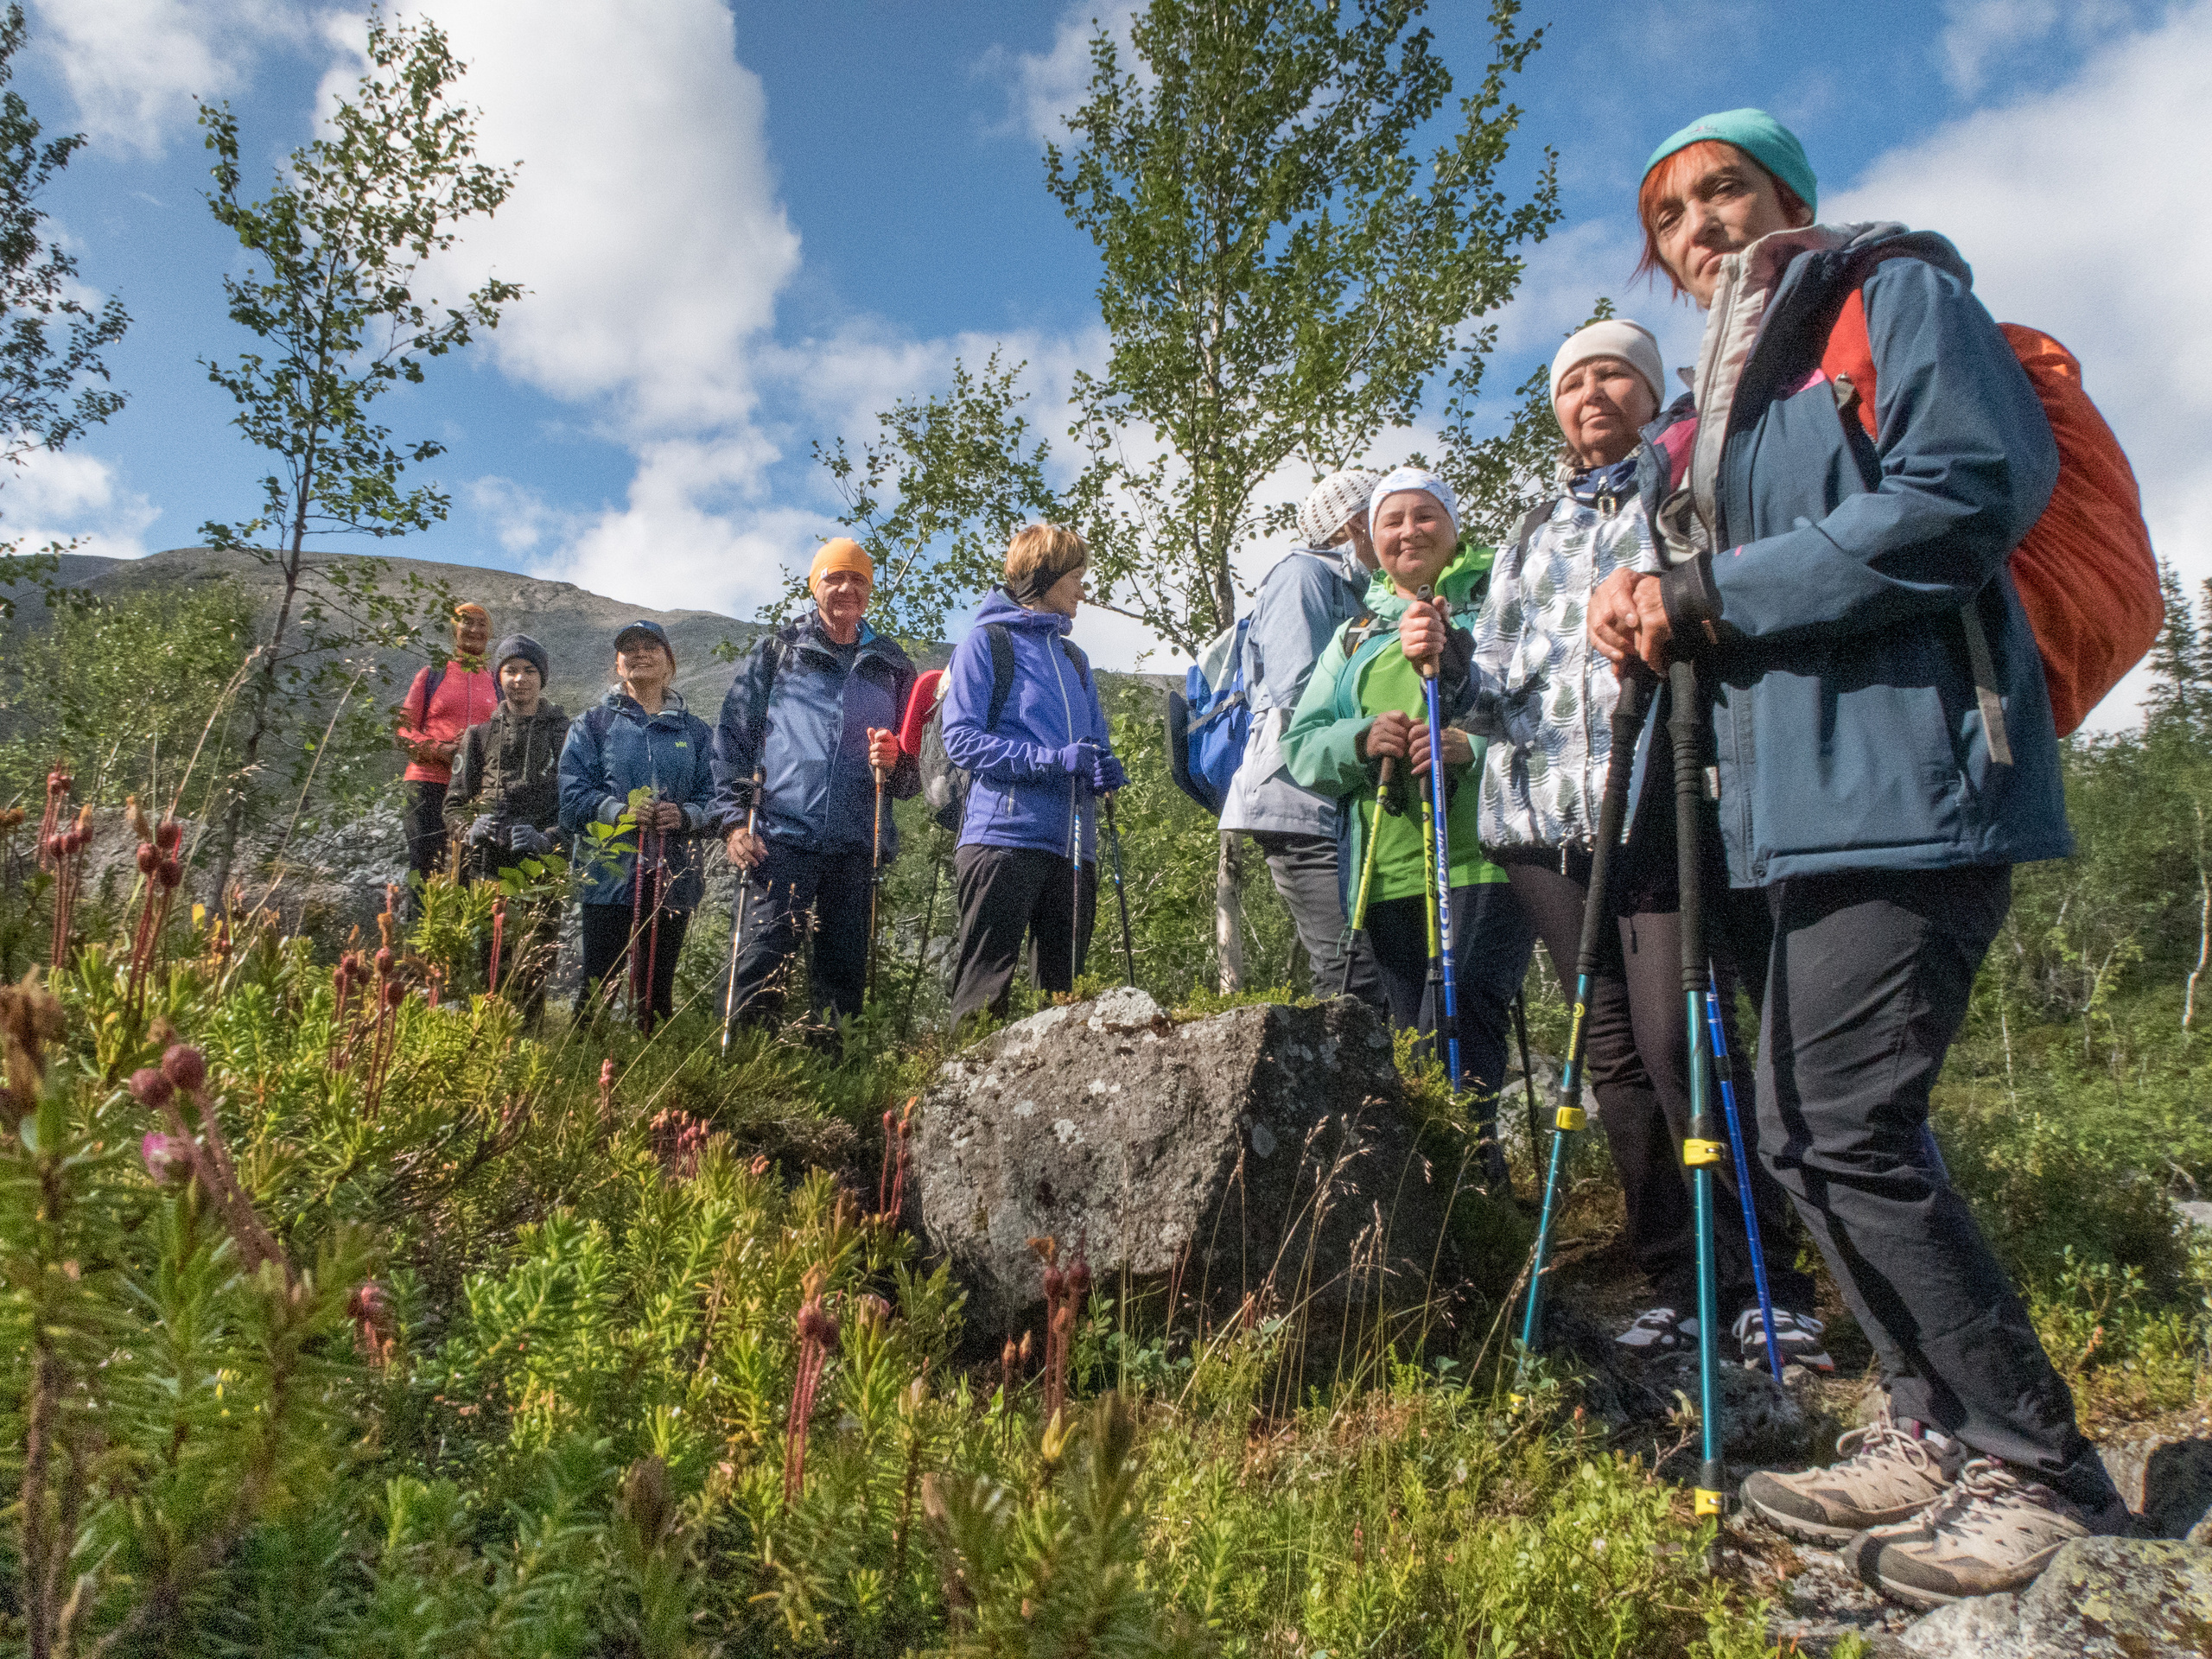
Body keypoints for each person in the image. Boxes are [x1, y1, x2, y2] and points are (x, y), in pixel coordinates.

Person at [1590, 107, 2125, 1603]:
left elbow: (1961, 497)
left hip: (1919, 778)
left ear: (1788, 199)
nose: (1701, 224)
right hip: (1796, 808)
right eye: (1674, 213)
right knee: (1799, 1128)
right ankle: (1930, 1425)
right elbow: (1726, 593)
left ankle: (2033, 1462)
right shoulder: (1718, 407)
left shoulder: (1890, 292)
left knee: (1850, 1126)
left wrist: (1713, 590)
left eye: (1725, 191)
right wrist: (1648, 608)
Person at [1470, 318, 1825, 1371]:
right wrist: (1445, 670)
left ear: (1649, 386)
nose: (1589, 393)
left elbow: (1736, 606)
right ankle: (1676, 1280)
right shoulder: (1530, 528)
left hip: (1661, 796)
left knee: (1684, 1040)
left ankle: (1770, 1286)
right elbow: (1493, 691)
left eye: (1610, 373)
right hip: (1540, 821)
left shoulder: (1683, 484)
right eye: (1571, 381)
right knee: (1615, 1061)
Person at [1282, 468, 1535, 1173]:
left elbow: (1540, 710)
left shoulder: (1496, 607)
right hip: (1386, 862)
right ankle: (1448, 1204)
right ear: (1372, 537)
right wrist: (1362, 740)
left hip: (1486, 855)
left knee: (1468, 1010)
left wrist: (1471, 744)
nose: (1407, 531)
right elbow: (1301, 747)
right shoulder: (1355, 634)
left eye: (1426, 516)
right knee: (1413, 1039)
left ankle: (1474, 1198)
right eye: (1392, 520)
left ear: (1453, 528)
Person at [713, 537, 919, 1034]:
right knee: (759, 969)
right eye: (834, 577)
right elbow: (732, 740)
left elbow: (914, 773)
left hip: (857, 845)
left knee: (842, 982)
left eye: (859, 579)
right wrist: (731, 823)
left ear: (870, 590)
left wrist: (894, 762)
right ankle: (740, 1079)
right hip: (780, 838)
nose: (847, 588)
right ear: (815, 585)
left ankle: (833, 1091)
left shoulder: (894, 665)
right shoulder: (779, 652)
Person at [942, 524, 1125, 1027]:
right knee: (984, 994)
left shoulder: (1074, 659)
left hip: (1073, 849)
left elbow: (1096, 744)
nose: (1083, 590)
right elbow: (960, 739)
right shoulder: (986, 643)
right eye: (1076, 577)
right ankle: (965, 1102)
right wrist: (1052, 760)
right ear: (1043, 578)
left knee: (1064, 999)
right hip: (1002, 838)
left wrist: (1106, 768)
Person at [1219, 470, 1386, 1006]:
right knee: (1350, 968)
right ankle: (1336, 1083)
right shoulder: (1302, 577)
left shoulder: (1364, 589)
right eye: (1386, 516)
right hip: (1295, 797)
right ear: (1358, 523)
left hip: (1336, 796)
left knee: (1373, 964)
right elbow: (1298, 693)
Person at [557, 620, 716, 1029]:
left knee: (656, 993)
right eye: (630, 648)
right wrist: (618, 812)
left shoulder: (697, 733)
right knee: (597, 988)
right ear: (617, 664)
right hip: (607, 874)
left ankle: (653, 1079)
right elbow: (571, 800)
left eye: (651, 646)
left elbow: (717, 801)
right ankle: (581, 1075)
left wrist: (684, 816)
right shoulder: (592, 725)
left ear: (670, 663)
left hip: (673, 874)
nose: (640, 653)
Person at [442, 633, 567, 1024]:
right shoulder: (477, 737)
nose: (520, 679)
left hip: (541, 868)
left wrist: (548, 838)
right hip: (484, 868)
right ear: (499, 677)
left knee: (534, 959)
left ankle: (529, 1044)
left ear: (542, 677)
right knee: (488, 959)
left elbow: (577, 807)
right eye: (510, 670)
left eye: (529, 670)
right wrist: (469, 828)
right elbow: (452, 805)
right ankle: (484, 1043)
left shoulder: (567, 734)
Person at [395, 602, 497, 892]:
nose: (474, 629)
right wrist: (439, 750)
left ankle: (459, 938)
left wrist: (476, 744)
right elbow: (403, 729)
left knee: (467, 871)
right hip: (427, 784)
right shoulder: (432, 674)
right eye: (467, 622)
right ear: (454, 628)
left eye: (481, 624)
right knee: (426, 869)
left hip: (474, 789)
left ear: (489, 634)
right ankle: (419, 937)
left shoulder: (496, 682)